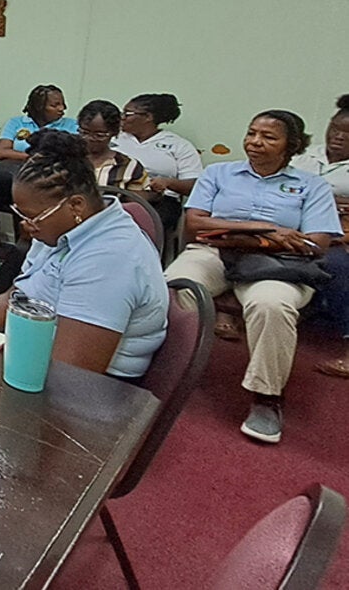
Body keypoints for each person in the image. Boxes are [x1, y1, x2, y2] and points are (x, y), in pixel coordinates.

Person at [163, 110, 341, 444]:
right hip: (214, 255)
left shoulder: (311, 186)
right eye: (251, 133)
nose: (255, 142)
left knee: (272, 305)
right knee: (174, 286)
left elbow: (316, 243)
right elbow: (197, 224)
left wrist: (242, 235)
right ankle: (168, 369)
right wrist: (268, 230)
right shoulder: (219, 173)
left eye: (269, 137)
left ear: (292, 146)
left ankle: (266, 398)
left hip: (276, 265)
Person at [0, 130, 168, 379]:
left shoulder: (110, 259)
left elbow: (72, 373)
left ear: (76, 205)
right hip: (39, 352)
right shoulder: (60, 229)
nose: (26, 225)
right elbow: (16, 299)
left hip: (97, 389)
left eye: (32, 216)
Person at [293, 95, 349, 379]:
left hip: (340, 236)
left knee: (337, 266)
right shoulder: (303, 156)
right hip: (292, 227)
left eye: (347, 134)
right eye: (334, 129)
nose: (338, 137)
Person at [111, 93, 203, 238]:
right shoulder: (114, 139)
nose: (122, 117)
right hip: (115, 194)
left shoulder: (178, 145)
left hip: (160, 201)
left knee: (137, 225)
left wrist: (168, 182)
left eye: (128, 114)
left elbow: (195, 186)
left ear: (148, 117)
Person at [0, 85, 76, 223]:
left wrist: (24, 156)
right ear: (39, 107)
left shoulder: (71, 126)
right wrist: (33, 157)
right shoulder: (17, 123)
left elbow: (70, 155)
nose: (62, 109)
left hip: (50, 178)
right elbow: (1, 152)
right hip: (16, 175)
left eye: (62, 104)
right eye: (55, 105)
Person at [77, 100, 149, 191]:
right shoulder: (65, 159)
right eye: (84, 132)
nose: (90, 138)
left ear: (114, 132)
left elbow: (140, 198)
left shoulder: (128, 166)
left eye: (99, 135)